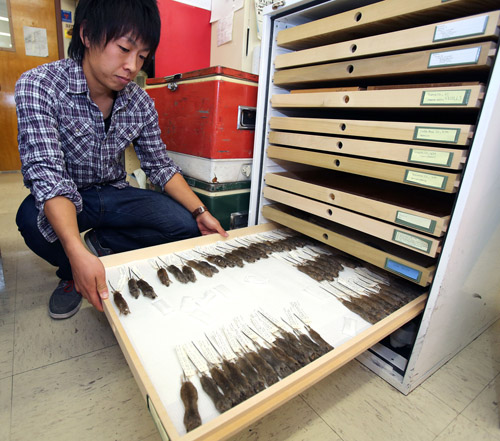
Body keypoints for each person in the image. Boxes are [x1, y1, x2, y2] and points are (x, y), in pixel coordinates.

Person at [15, 0, 228, 320]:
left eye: (142, 56)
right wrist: (75, 253)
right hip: (69, 195)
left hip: (114, 193)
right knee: (31, 221)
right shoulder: (39, 84)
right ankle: (71, 274)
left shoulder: (140, 101)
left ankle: (104, 244)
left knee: (185, 225)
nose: (133, 65)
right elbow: (47, 174)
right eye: (124, 48)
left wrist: (201, 211)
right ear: (87, 34)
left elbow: (159, 165)